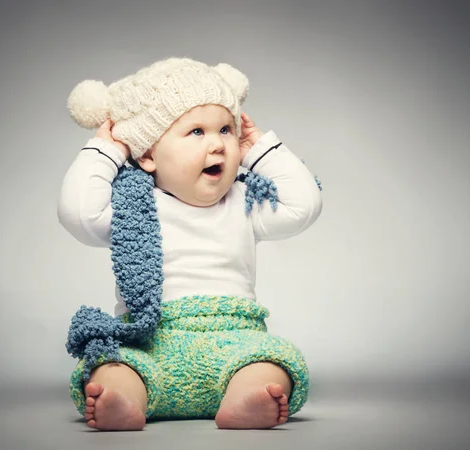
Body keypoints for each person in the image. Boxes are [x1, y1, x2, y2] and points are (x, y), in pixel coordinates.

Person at [57, 57, 323, 431]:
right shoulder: (133, 205)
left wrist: (259, 148)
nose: (217, 143)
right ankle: (124, 399)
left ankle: (247, 397)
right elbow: (78, 213)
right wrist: (108, 148)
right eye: (197, 132)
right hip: (151, 342)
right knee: (111, 365)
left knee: (274, 359)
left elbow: (304, 205)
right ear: (147, 154)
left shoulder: (245, 202)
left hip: (235, 341)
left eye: (226, 130)